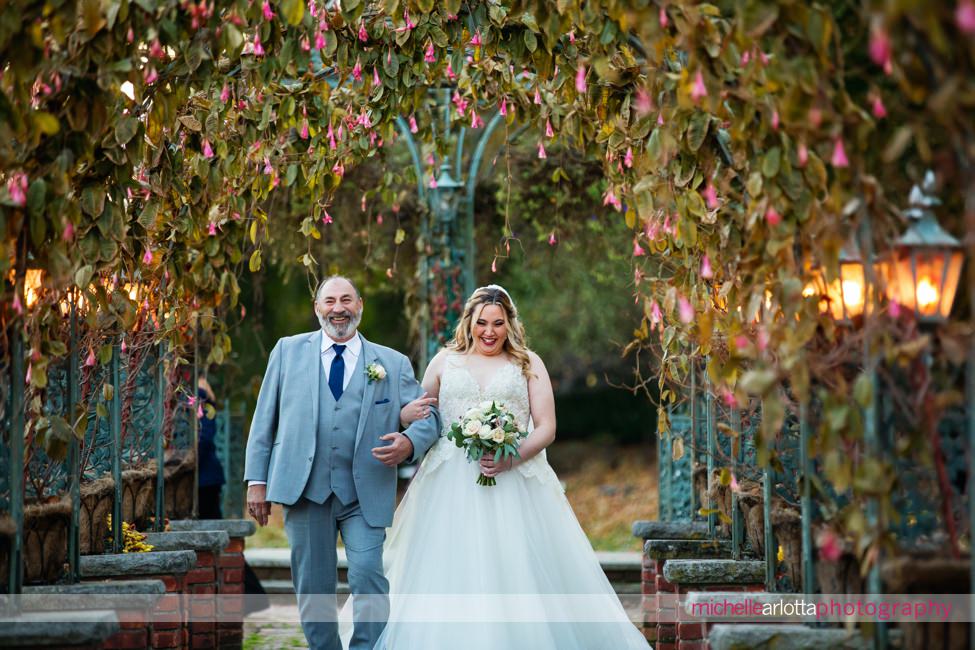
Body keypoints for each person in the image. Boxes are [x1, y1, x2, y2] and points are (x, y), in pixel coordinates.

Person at [376, 285, 652, 649]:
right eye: (482, 323)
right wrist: (403, 417)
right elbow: (422, 415)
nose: (489, 331)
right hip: (449, 482)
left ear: (510, 324)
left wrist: (512, 456)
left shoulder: (527, 363)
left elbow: (547, 427)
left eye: (498, 323)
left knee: (518, 566)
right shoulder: (444, 361)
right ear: (469, 323)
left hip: (514, 478)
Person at [243, 276, 441, 650]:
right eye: (330, 300)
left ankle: (366, 647)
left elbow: (430, 416)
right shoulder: (287, 352)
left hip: (364, 492)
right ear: (318, 308)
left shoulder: (391, 362)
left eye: (346, 299)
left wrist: (408, 442)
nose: (339, 308)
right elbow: (263, 419)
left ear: (360, 304)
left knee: (368, 576)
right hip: (305, 490)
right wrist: (257, 480)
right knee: (313, 586)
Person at [196, 375, 225, 519]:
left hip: (204, 477)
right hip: (206, 477)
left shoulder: (200, 399)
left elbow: (204, 438)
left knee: (209, 519)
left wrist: (191, 462)